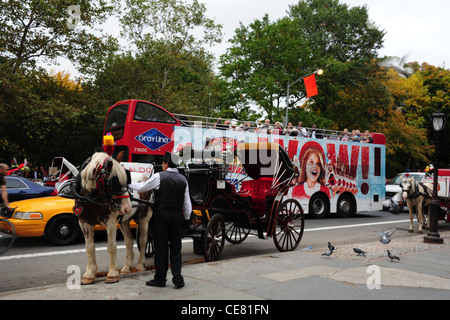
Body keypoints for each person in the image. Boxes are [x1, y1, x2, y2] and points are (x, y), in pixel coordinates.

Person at [129, 152, 192, 288]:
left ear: (166, 164)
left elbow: (141, 187)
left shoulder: (159, 176)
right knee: (176, 248)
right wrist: (186, 219)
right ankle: (178, 278)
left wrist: (128, 181)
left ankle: (160, 279)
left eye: (163, 163)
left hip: (161, 216)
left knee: (161, 248)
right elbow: (187, 204)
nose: (162, 165)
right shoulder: (183, 179)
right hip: (176, 216)